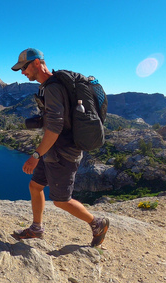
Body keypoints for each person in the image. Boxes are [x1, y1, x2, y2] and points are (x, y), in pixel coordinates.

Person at [10, 48, 109, 247]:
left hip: (63, 153)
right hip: (53, 151)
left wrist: (35, 155)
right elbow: (59, 120)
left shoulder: (53, 88)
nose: (22, 72)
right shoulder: (52, 85)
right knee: (35, 185)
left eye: (24, 67)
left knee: (61, 200)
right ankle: (36, 229)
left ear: (37, 63)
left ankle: (98, 223)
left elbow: (55, 128)